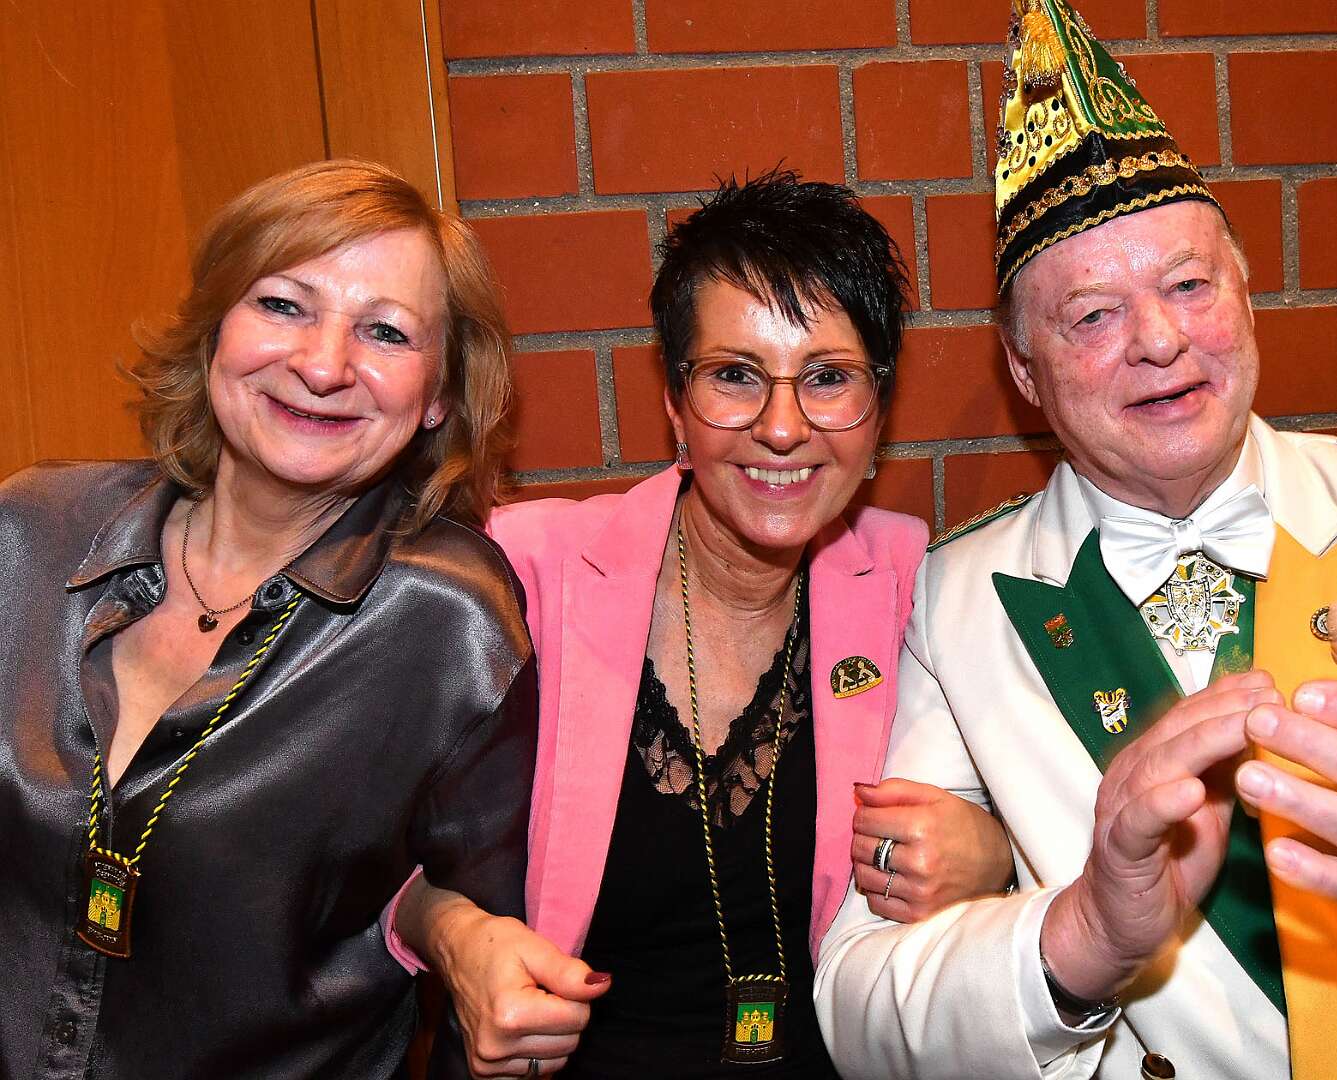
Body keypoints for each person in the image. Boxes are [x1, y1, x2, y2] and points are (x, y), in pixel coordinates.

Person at [815, 3, 1337, 1078]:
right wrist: (1080, 935)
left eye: (1187, 285)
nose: (1160, 340)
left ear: (1246, 295)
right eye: (1092, 315)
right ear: (1023, 370)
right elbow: (861, 1014)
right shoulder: (958, 599)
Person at [388, 172, 1016, 1079]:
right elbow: (355, 857)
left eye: (828, 379)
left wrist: (996, 854)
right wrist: (454, 936)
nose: (783, 428)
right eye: (734, 376)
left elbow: (1061, 822)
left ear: (878, 414)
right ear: (675, 405)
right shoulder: (519, 574)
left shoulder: (919, 587)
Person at [0, 159, 536, 1079]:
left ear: (439, 397)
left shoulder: (452, 623)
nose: (322, 366)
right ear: (216, 328)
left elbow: (485, 956)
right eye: (283, 305)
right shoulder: (29, 532)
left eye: (385, 331)